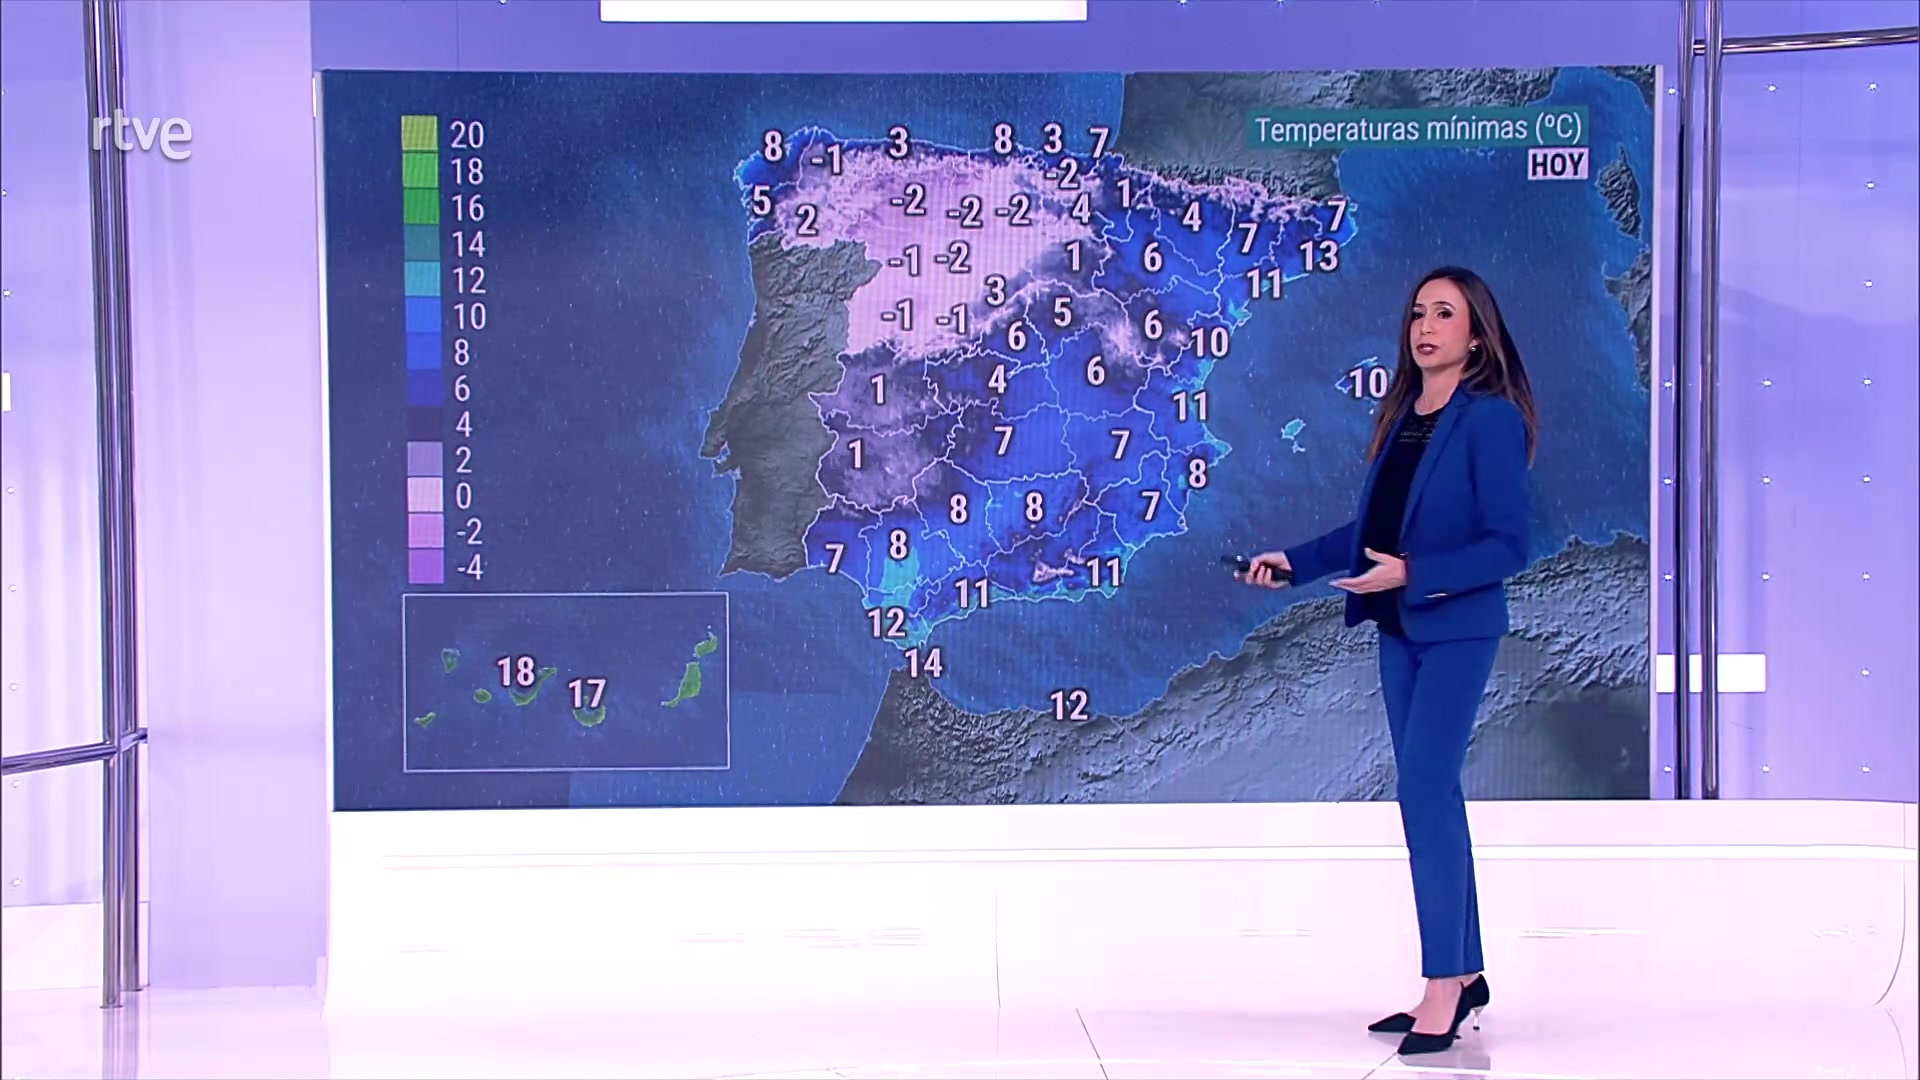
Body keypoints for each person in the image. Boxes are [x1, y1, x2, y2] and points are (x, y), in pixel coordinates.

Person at [1238, 265, 1537, 1056]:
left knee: (1422, 791)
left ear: (1477, 337)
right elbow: (1372, 530)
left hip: (1456, 629)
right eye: (1417, 314)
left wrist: (1414, 574)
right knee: (1434, 795)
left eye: (1445, 314)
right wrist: (1294, 563)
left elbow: (1510, 545)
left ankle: (1443, 985)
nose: (1425, 327)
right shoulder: (1406, 416)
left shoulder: (1490, 421)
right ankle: (1464, 973)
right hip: (1398, 630)